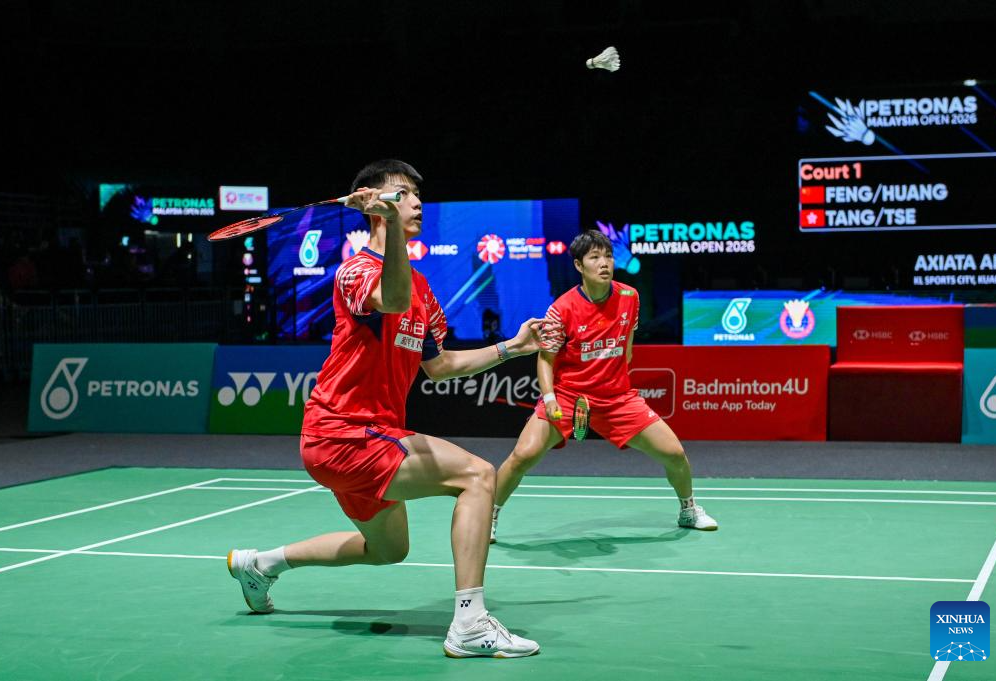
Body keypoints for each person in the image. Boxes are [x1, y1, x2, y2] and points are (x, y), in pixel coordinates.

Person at [227, 160, 559, 659]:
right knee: (477, 476)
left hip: (368, 436)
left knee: (388, 550)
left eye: (418, 195)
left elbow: (440, 366)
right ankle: (470, 624)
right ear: (375, 204)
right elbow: (392, 298)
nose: (418, 202)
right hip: (343, 432)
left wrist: (512, 347)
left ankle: (261, 564)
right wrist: (388, 230)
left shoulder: (421, 288)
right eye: (403, 194)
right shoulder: (356, 271)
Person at [491, 229, 717, 544]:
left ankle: (688, 510)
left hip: (617, 398)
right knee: (522, 455)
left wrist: (616, 383)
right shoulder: (561, 309)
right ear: (579, 265)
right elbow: (545, 359)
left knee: (675, 453)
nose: (604, 263)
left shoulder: (629, 297)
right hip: (568, 397)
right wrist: (550, 397)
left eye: (608, 256)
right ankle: (488, 516)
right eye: (595, 257)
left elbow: (627, 347)